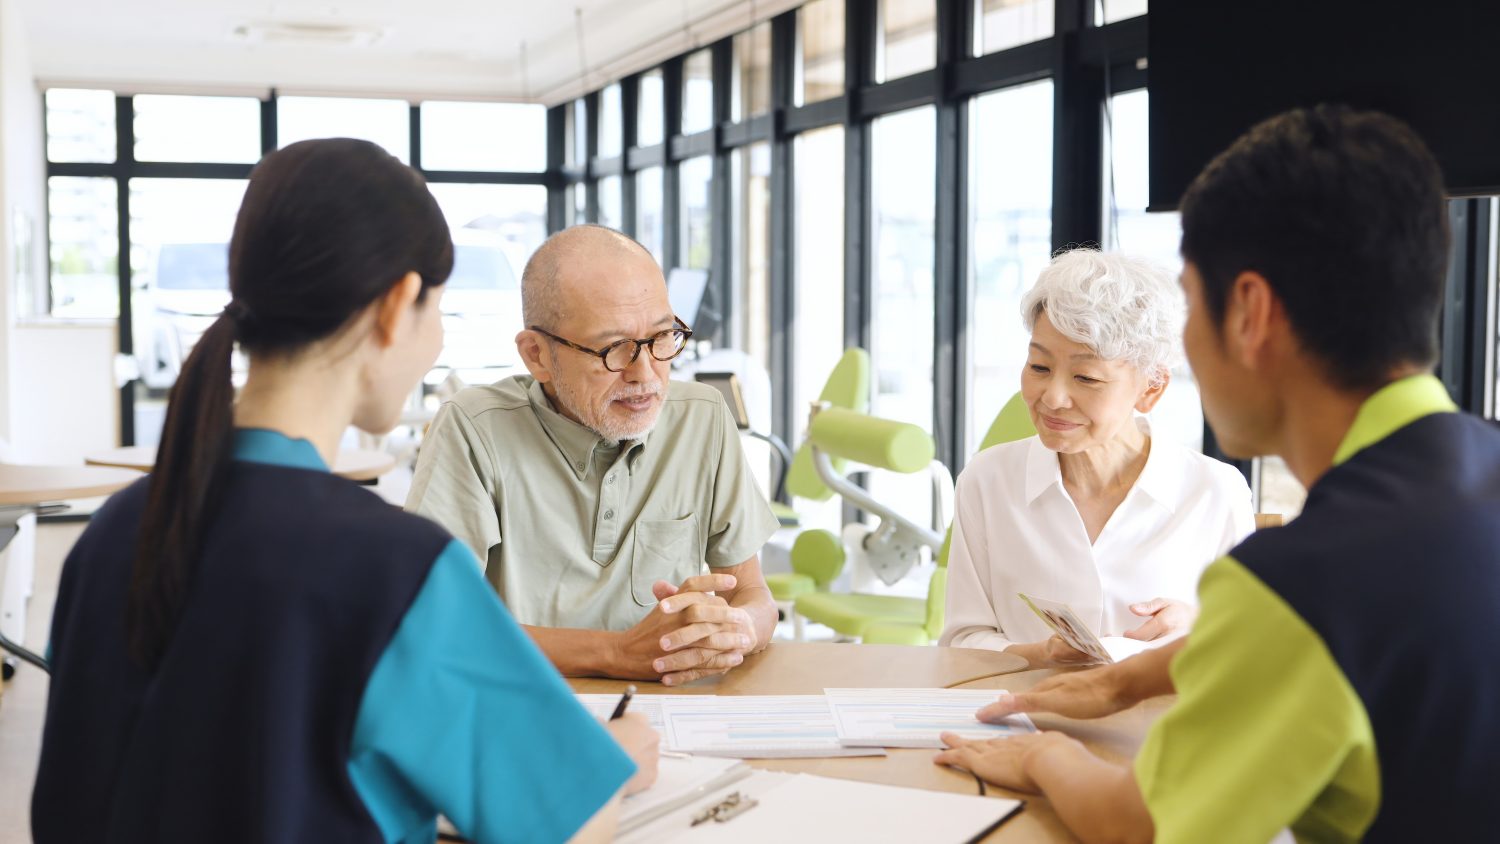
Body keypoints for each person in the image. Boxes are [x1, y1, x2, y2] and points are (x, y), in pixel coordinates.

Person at [32, 139, 657, 843]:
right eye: (438, 309)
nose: (439, 340)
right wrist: (617, 759)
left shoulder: (113, 534)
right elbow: (567, 823)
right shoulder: (396, 570)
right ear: (396, 306)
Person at [936, 105, 1500, 842]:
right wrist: (1126, 675)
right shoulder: (1472, 480)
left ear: (1250, 314)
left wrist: (1042, 755)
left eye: (1194, 304)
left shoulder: (1300, 585)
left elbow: (1137, 827)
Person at [406, 225, 780, 686]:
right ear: (537, 355)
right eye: (613, 349)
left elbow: (750, 592)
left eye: (663, 337)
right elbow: (433, 625)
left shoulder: (702, 417)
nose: (646, 374)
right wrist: (618, 653)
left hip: (670, 711)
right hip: (522, 703)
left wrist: (738, 630)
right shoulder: (474, 428)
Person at [940, 249, 1253, 666]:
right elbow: (961, 639)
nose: (1052, 397)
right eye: (1038, 367)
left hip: (1157, 727)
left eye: (1086, 377)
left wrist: (1196, 624)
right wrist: (1041, 655)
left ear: (1151, 388)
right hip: (1020, 720)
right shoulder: (987, 479)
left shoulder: (1214, 489)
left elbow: (1251, 646)